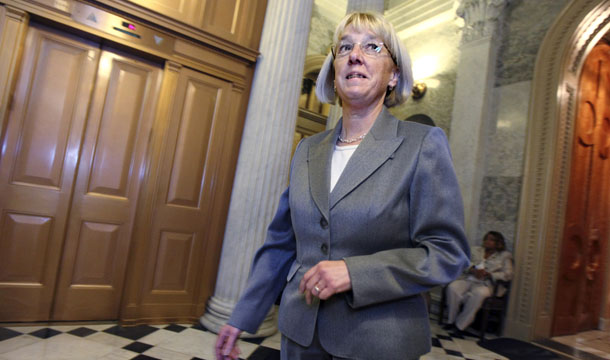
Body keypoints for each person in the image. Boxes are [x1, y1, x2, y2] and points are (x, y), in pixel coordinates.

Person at [215, 11, 470, 360]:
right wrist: (243, 316)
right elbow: (281, 244)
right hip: (300, 339)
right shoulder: (308, 149)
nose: (355, 54)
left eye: (373, 47)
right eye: (345, 47)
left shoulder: (422, 144)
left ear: (394, 74)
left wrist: (355, 272)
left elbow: (447, 253)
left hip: (378, 343)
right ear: (334, 74)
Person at [444, 231, 514, 334]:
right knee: (453, 288)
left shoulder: (505, 256)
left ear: (498, 242)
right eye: (486, 239)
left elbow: (508, 274)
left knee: (478, 294)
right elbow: (463, 262)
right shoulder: (475, 250)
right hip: (469, 278)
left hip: (487, 284)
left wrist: (490, 274)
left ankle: (461, 326)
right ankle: (451, 321)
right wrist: (472, 269)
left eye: (491, 239)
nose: (487, 241)